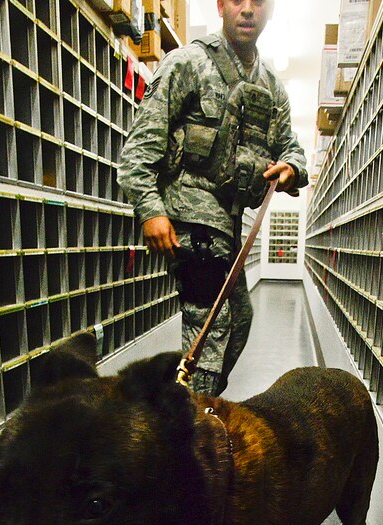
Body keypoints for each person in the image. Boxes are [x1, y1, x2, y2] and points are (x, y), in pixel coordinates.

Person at [118, 0, 308, 395]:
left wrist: (292, 168)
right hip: (191, 221)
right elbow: (138, 150)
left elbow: (290, 147)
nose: (247, 10)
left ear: (270, 10)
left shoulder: (270, 87)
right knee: (210, 325)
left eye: (258, 2)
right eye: (237, 0)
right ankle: (193, 420)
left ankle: (190, 405)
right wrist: (150, 211)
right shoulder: (187, 63)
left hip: (229, 226)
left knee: (239, 319)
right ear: (221, 6)